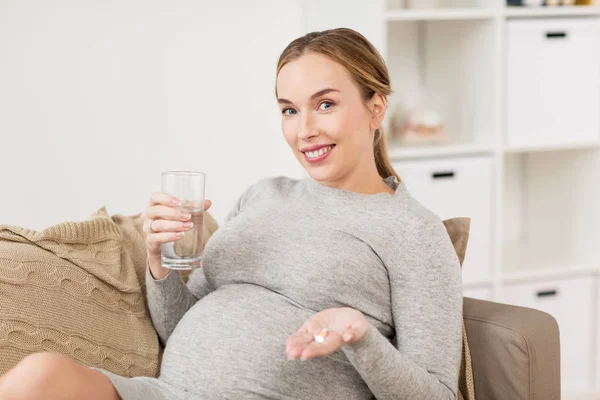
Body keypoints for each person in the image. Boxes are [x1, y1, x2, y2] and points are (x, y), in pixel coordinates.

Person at [0, 28, 463, 400]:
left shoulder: (413, 231)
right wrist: (160, 264)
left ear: (375, 107)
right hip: (165, 393)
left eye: (325, 104)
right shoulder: (263, 195)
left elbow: (438, 393)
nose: (305, 130)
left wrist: (361, 337)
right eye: (289, 109)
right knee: (40, 376)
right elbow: (181, 326)